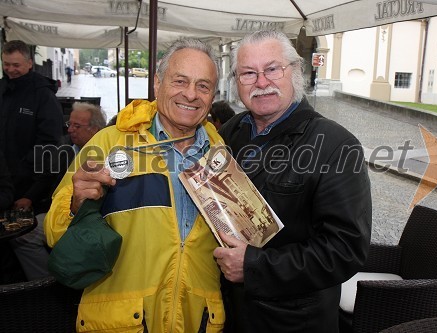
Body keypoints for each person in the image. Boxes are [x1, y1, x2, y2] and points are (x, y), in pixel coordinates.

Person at [44, 38, 225, 332]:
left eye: (203, 86)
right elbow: (53, 234)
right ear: (157, 83)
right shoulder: (109, 141)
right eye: (180, 81)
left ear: (212, 96)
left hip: (197, 320)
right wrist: (77, 204)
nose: (191, 94)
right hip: (121, 322)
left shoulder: (220, 155)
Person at [214, 30, 372, 333]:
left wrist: (254, 266)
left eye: (272, 69)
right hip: (230, 313)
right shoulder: (229, 132)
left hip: (293, 321)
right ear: (237, 81)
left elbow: (345, 250)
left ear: (295, 71)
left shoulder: (336, 145)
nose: (261, 83)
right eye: (249, 73)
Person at [0, 40, 63, 281]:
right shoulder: (3, 88)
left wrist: (32, 193)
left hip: (29, 189)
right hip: (5, 184)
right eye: (6, 64)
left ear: (29, 64)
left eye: (16, 65)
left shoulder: (43, 96)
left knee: (19, 242)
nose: (11, 69)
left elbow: (50, 149)